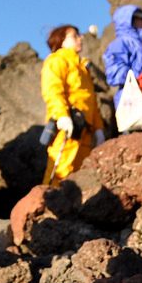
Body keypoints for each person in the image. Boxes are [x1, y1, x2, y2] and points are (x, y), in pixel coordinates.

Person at [41, 25, 106, 185]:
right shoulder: (57, 60)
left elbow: (91, 100)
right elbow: (52, 90)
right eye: (75, 36)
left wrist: (98, 129)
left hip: (85, 129)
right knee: (61, 170)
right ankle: (49, 206)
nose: (80, 38)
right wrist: (62, 115)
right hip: (67, 127)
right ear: (61, 41)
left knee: (81, 175)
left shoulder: (83, 67)